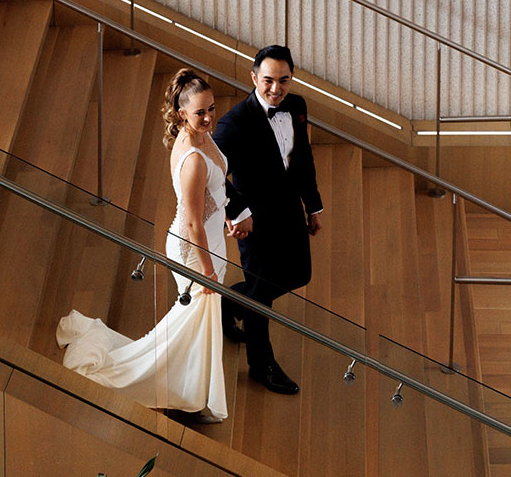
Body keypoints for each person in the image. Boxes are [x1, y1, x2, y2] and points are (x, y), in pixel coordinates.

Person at [56, 68, 231, 422]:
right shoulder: (193, 159)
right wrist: (209, 271)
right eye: (201, 112)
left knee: (196, 323)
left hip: (207, 239)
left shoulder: (198, 137)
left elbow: (208, 202)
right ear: (182, 114)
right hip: (196, 251)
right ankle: (164, 385)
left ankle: (189, 388)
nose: (210, 117)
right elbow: (194, 221)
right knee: (190, 321)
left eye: (212, 108)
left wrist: (224, 213)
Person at [213, 44, 323, 395]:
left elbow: (302, 158)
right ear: (253, 78)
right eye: (268, 81)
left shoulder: (296, 106)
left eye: (284, 81)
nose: (276, 90)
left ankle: (229, 302)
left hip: (290, 210)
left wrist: (313, 205)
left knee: (298, 273)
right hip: (254, 222)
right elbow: (210, 175)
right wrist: (237, 212)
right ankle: (261, 366)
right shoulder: (234, 124)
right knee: (261, 297)